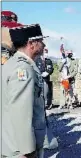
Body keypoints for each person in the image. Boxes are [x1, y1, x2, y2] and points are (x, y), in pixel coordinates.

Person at [2, 24, 48, 158]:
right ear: (31, 44)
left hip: (11, 143)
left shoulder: (11, 64)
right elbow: (21, 112)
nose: (43, 45)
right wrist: (27, 150)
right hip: (19, 149)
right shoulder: (23, 69)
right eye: (40, 41)